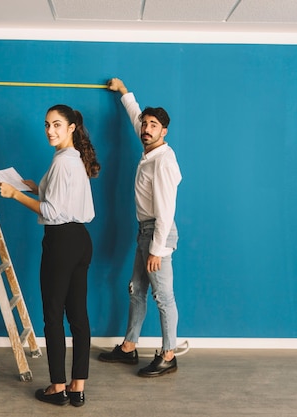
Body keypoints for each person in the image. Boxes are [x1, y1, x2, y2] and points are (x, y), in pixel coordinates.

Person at [0, 104, 99, 407]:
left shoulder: (62, 162)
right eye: (46, 125)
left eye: (57, 125)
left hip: (61, 242)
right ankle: (77, 386)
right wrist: (34, 187)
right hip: (81, 240)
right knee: (78, 316)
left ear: (71, 128)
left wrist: (16, 195)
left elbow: (53, 212)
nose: (50, 131)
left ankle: (57, 387)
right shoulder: (74, 158)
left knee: (54, 316)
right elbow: (62, 199)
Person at [99, 78, 182, 377]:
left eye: (153, 125)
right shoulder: (149, 149)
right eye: (145, 124)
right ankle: (129, 348)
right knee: (136, 291)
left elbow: (166, 211)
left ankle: (168, 355)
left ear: (164, 131)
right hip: (144, 233)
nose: (146, 129)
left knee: (163, 297)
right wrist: (124, 92)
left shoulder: (163, 161)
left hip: (157, 234)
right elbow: (136, 116)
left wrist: (157, 250)